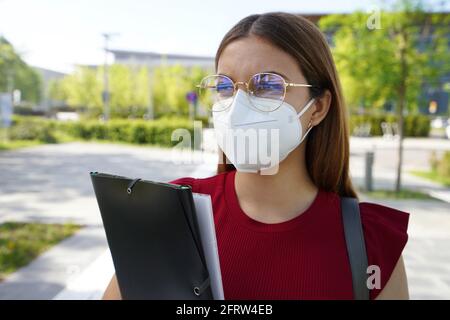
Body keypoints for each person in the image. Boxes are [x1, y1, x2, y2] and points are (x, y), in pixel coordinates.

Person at [103, 12, 409, 300]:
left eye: (267, 85)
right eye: (225, 86)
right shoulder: (171, 211)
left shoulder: (373, 242)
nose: (238, 106)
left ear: (318, 107)